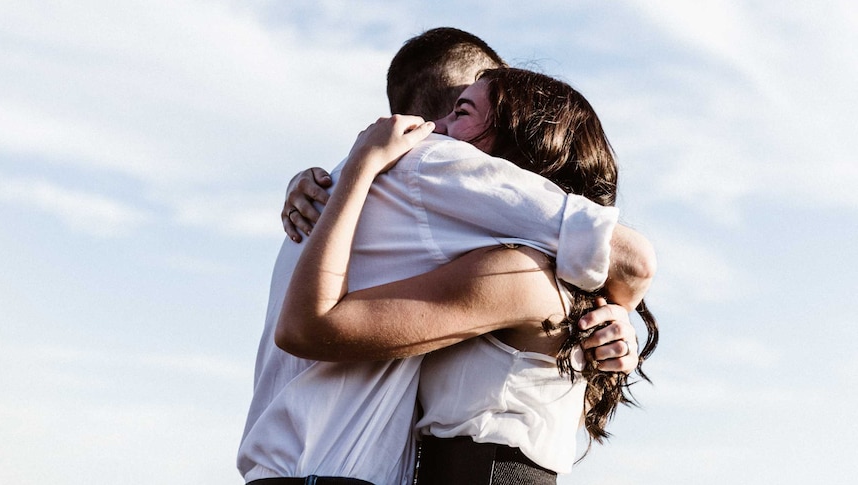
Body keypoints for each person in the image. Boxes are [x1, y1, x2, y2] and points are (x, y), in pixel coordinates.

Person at [238, 28, 653, 485]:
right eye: (460, 106)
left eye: (468, 113)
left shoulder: (517, 271)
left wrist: (613, 314)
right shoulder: (432, 170)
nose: (444, 134)